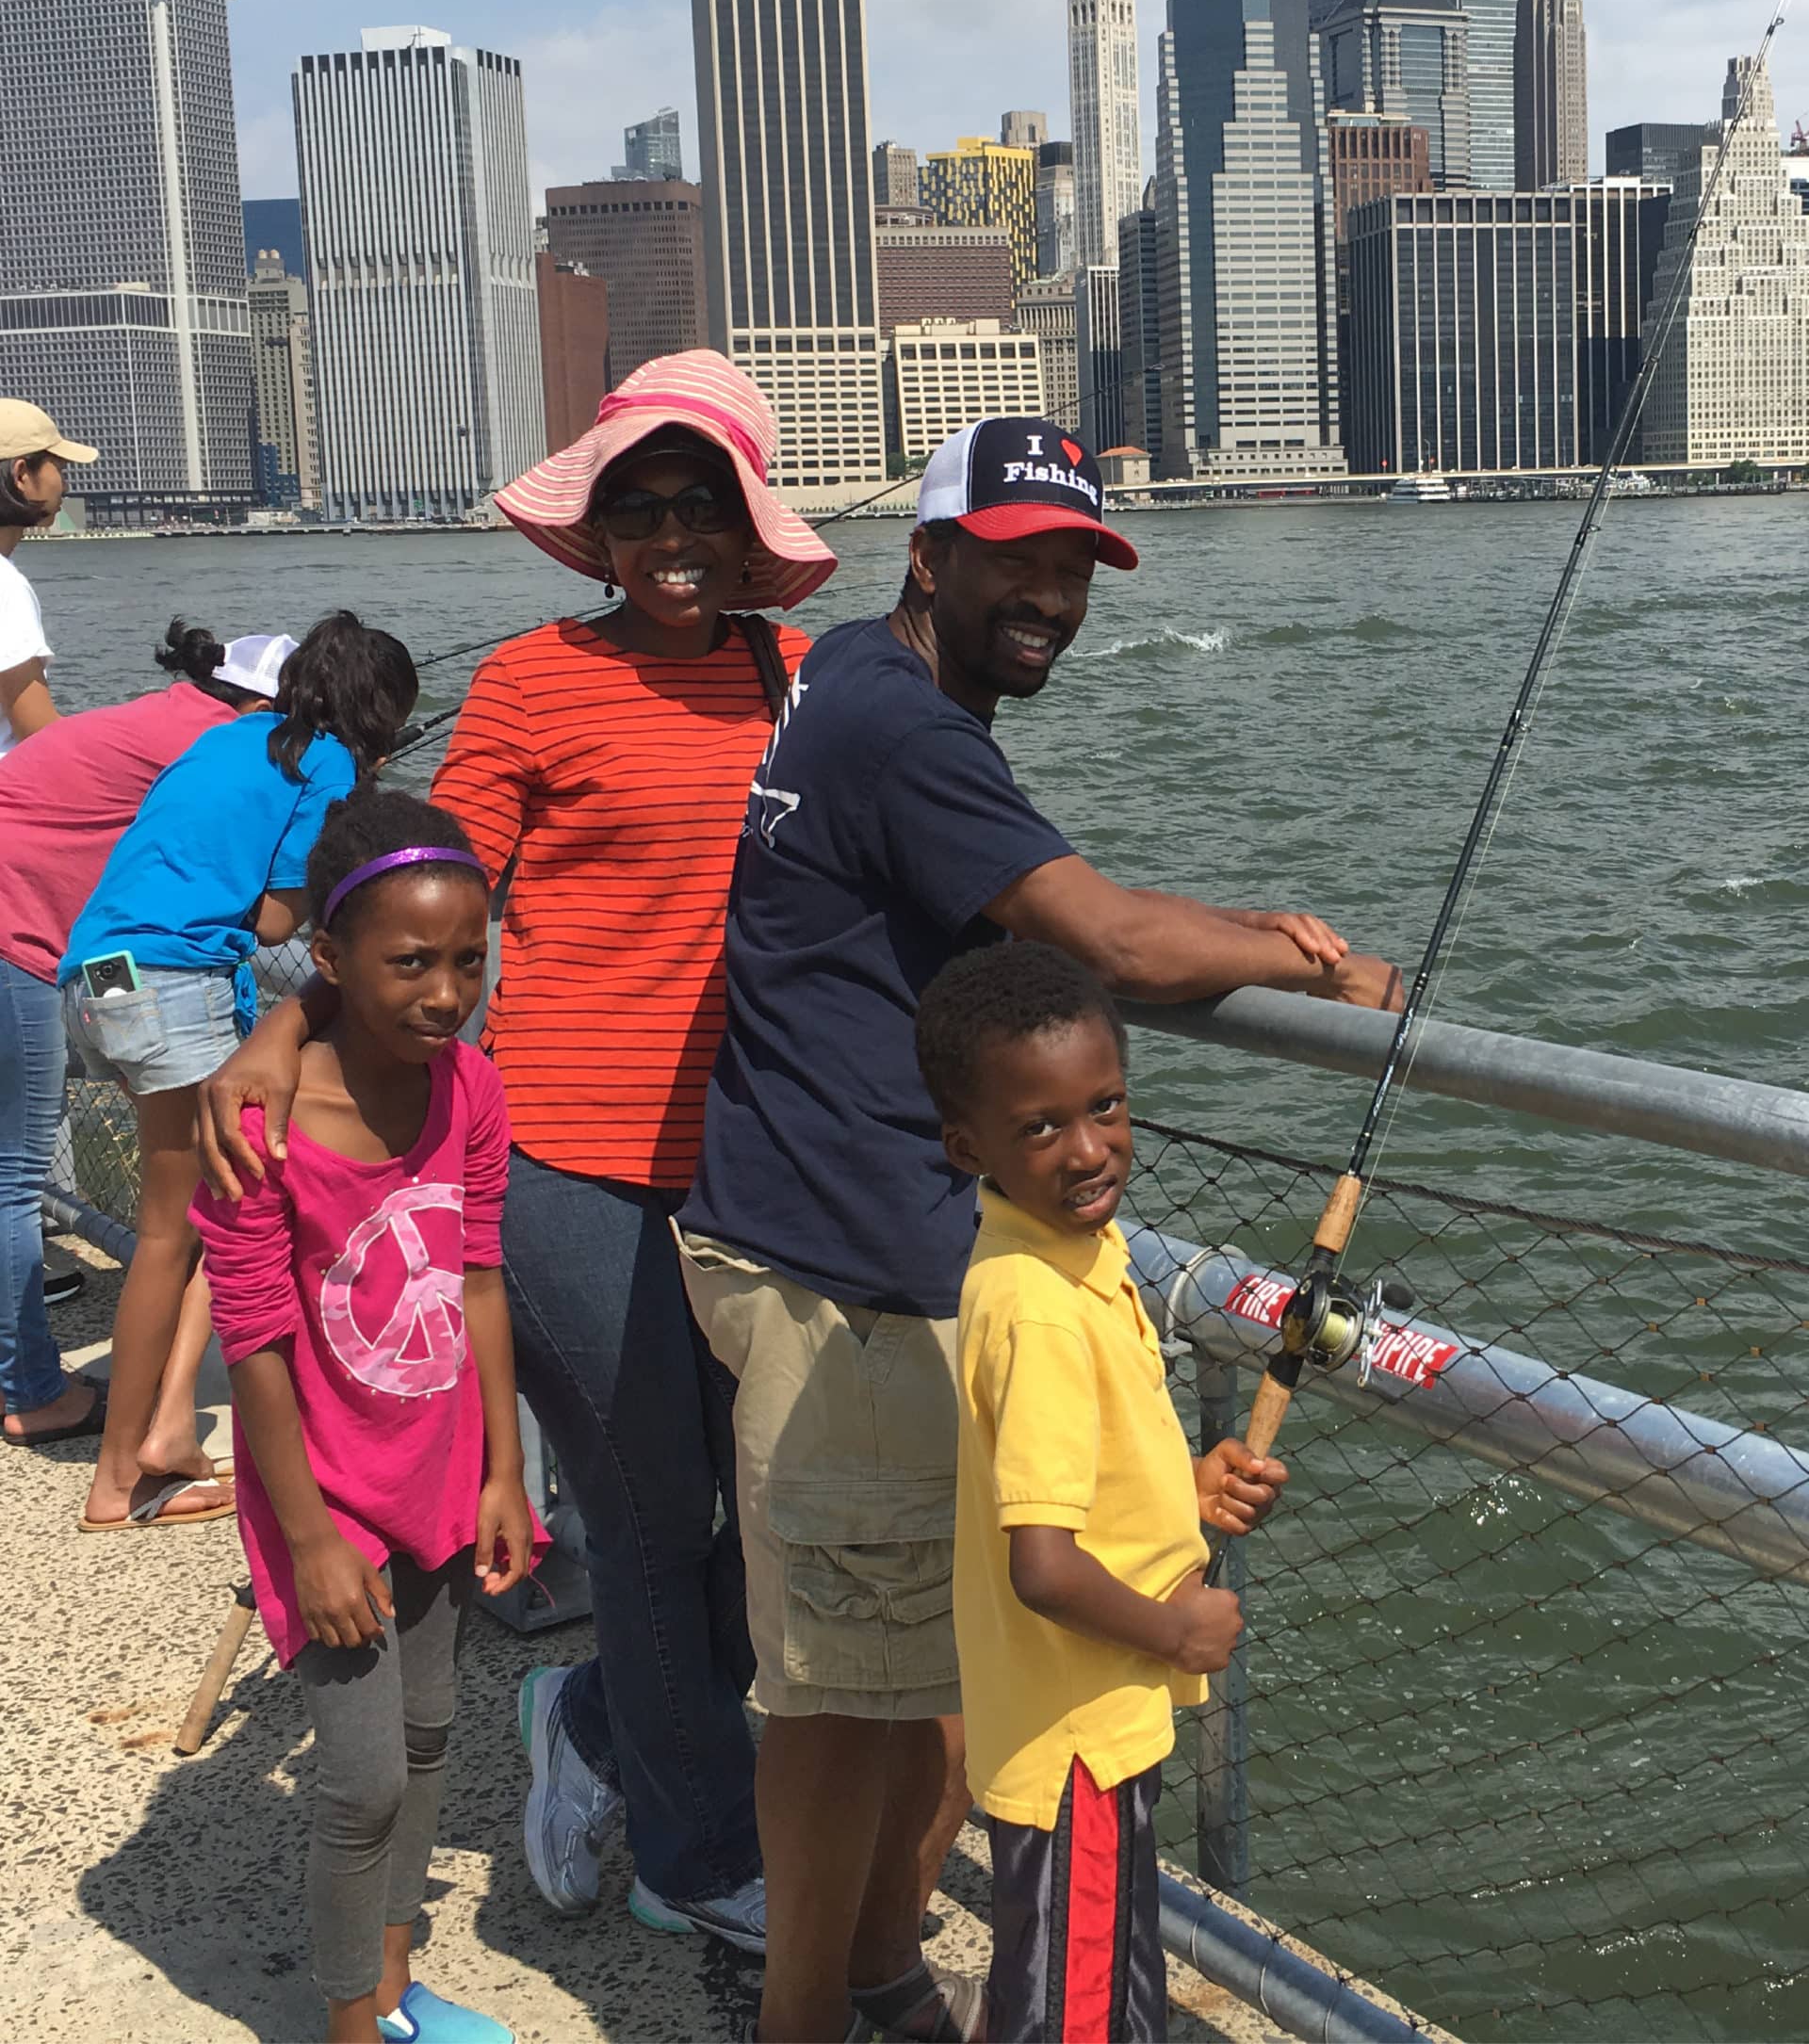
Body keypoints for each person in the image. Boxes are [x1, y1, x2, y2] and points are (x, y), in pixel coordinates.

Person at [675, 414, 1404, 2044]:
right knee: (844, 1687)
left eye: (1075, 568)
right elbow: (1115, 947)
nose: (1054, 597)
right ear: (928, 558)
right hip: (846, 1268)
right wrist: (1319, 965)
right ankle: (812, 2012)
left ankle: (871, 1973)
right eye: (1019, 560)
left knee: (909, 1664)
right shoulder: (911, 732)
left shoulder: (860, 682)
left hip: (819, 1229)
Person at [195, 351, 837, 1953]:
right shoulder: (544, 681)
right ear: (600, 530)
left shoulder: (800, 678)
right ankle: (697, 1850)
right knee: (640, 1512)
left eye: (702, 504)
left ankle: (598, 1728)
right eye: (640, 506)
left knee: (781, 1515)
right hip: (559, 1156)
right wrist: (286, 1021)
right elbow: (408, 866)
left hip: (749, 1168)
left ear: (749, 527)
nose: (672, 534)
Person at [189, 788, 534, 2044]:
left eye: (469, 960)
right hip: (321, 1496)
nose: (446, 994)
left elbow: (482, 1271)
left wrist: (503, 1468)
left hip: (439, 1470)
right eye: (409, 963)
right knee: (363, 1777)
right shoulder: (258, 1131)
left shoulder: (473, 1091)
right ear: (328, 963)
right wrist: (314, 1536)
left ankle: (393, 1988)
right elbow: (256, 1345)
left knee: (434, 1732)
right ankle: (346, 2025)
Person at [917, 941, 1284, 2043]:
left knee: (1106, 1985)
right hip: (1075, 1736)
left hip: (1092, 1723)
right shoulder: (1035, 1305)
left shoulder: (1069, 1251)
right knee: (1071, 2007)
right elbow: (1043, 1563)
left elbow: (1080, 1478)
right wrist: (1177, 1627)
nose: (1088, 1148)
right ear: (965, 1144)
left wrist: (1185, 1487)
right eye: (1041, 1127)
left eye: (1107, 1105)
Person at [64, 609, 418, 1533]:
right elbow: (271, 922)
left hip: (98, 980)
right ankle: (119, 1478)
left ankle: (168, 1431)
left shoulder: (227, 739)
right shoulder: (330, 761)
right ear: (377, 709)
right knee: (167, 1232)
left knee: (234, 1192)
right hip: (170, 985)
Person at [0, 619, 296, 1446]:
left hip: (59, 947)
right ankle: (29, 1390)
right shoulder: (223, 744)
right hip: (16, 931)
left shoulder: (163, 719)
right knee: (17, 1178)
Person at [0, 398, 98, 757]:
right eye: (57, 466)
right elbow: (36, 730)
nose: (65, 484)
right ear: (22, 474)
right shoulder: (6, 586)